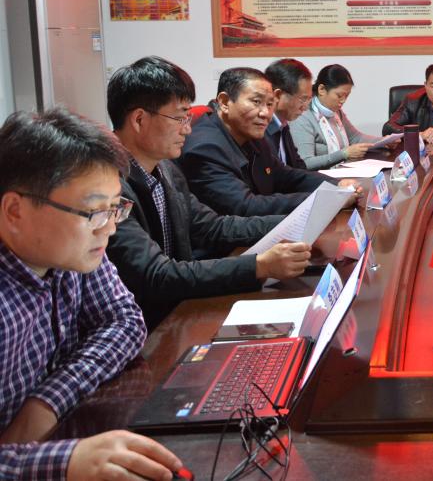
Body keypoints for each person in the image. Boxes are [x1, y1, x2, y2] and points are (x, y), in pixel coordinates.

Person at [0, 108, 185, 480]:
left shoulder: (72, 252)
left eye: (114, 208)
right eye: (93, 211)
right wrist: (65, 462)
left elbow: (125, 321)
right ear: (15, 211)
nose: (110, 228)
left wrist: (46, 403)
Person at [106, 57, 313, 329]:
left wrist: (296, 222)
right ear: (139, 119)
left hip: (178, 312)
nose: (187, 128)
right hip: (143, 326)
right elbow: (156, 274)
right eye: (180, 117)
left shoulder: (166, 169)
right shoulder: (108, 187)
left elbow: (212, 227)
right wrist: (259, 266)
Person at [178, 67, 338, 216]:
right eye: (256, 102)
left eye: (270, 104)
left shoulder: (251, 133)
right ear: (225, 102)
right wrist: (324, 198)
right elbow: (246, 206)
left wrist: (337, 185)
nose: (266, 113)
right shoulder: (205, 148)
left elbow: (284, 175)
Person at [291, 64, 393, 170]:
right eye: (339, 96)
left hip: (341, 172)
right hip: (318, 176)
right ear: (322, 89)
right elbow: (306, 163)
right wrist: (343, 154)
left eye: (346, 96)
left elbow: (355, 137)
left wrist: (383, 141)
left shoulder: (335, 111)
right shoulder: (303, 116)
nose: (343, 101)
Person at [264, 58, 313, 169]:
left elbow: (299, 167)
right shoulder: (261, 130)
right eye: (303, 99)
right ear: (278, 95)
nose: (305, 107)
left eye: (309, 99)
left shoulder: (283, 125)